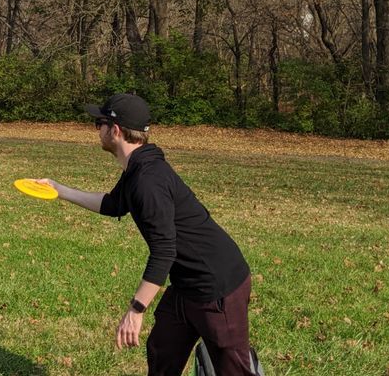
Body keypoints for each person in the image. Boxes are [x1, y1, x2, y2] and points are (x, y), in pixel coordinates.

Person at [39, 93, 256, 376]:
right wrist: (58, 190)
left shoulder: (147, 180)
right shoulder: (138, 168)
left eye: (99, 123)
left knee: (233, 369)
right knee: (162, 349)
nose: (97, 130)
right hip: (186, 283)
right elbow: (113, 204)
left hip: (217, 287)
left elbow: (165, 249)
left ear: (115, 130)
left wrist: (136, 309)